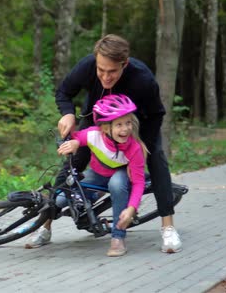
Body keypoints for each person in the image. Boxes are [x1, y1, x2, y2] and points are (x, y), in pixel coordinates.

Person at [27, 34, 182, 253]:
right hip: (98, 118)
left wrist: (137, 144)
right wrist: (68, 114)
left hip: (136, 123)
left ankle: (168, 227)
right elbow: (63, 92)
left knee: (155, 157)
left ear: (124, 64)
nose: (106, 77)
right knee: (73, 163)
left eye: (112, 71)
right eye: (101, 70)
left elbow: (157, 113)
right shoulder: (87, 66)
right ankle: (45, 226)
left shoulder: (142, 78)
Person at [26, 94, 148, 257]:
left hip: (120, 175)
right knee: (62, 198)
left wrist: (132, 208)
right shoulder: (94, 135)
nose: (125, 129)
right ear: (105, 128)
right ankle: (45, 227)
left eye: (128, 123)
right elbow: (77, 137)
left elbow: (139, 182)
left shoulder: (134, 149)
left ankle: (118, 237)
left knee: (116, 185)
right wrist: (74, 143)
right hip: (97, 174)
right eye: (119, 124)